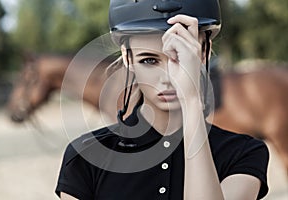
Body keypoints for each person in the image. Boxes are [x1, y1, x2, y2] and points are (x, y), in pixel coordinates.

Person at [55, 0, 269, 199]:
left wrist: (192, 100)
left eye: (181, 57)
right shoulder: (84, 156)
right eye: (149, 60)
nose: (168, 77)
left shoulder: (243, 153)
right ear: (128, 58)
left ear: (205, 53)